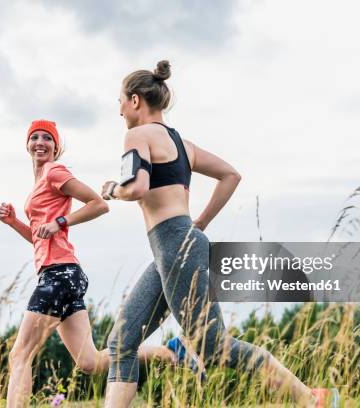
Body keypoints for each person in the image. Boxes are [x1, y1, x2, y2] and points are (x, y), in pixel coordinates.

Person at [100, 62, 340, 408]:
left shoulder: (137, 135)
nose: (119, 109)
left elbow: (137, 188)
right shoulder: (184, 144)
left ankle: (315, 400)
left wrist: (111, 189)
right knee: (122, 342)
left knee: (214, 347)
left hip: (175, 246)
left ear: (136, 100)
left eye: (121, 101)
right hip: (172, 248)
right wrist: (200, 224)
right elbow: (230, 175)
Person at [0, 119, 176, 408]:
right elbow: (38, 239)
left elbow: (98, 203)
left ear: (56, 148)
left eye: (47, 138)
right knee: (90, 362)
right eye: (35, 137)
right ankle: (169, 352)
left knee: (20, 355)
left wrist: (60, 222)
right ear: (27, 145)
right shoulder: (39, 183)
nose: (40, 142)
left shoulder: (55, 172)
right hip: (63, 274)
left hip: (60, 275)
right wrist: (14, 222)